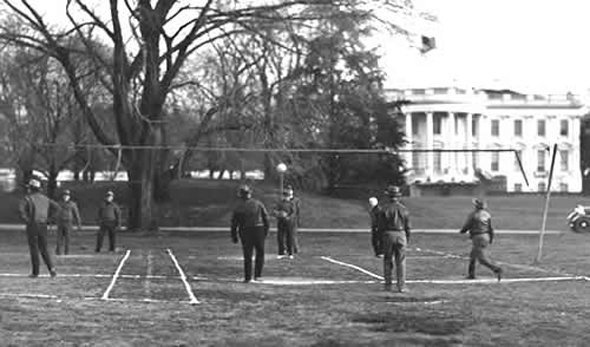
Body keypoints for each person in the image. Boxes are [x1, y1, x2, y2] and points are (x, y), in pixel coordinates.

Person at [18, 178, 60, 278]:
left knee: (34, 249)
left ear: (31, 189)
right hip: (43, 225)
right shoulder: (45, 199)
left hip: (33, 225)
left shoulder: (28, 198)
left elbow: (21, 210)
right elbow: (57, 207)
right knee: (44, 248)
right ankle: (51, 269)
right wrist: (50, 219)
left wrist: (27, 219)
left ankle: (35, 272)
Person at [230, 184, 270, 283]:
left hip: (245, 231)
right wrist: (265, 232)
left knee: (247, 254)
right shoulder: (258, 203)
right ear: (250, 193)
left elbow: (234, 223)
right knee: (260, 253)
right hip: (258, 229)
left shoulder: (238, 206)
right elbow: (266, 219)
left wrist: (234, 235)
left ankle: (247, 277)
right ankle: (258, 276)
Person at [459, 198, 503, 281]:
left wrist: (462, 231)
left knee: (481, 259)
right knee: (473, 256)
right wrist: (491, 238)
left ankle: (496, 269)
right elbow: (491, 228)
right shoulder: (487, 214)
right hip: (486, 236)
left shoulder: (473, 215)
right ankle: (471, 274)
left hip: (478, 237)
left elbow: (467, 226)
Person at [378, 185, 410, 293]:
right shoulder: (404, 209)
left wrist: (380, 242)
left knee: (388, 260)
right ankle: (401, 286)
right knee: (401, 261)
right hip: (401, 234)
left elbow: (380, 227)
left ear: (388, 196)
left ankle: (388, 285)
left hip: (388, 234)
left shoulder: (383, 209)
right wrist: (407, 239)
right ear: (398, 196)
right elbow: (408, 227)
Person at [55, 189, 82, 255]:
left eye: (67, 195)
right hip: (61, 222)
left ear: (69, 197)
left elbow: (76, 214)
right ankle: (58, 251)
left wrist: (79, 224)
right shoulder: (59, 203)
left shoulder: (72, 204)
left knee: (68, 238)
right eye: (64, 195)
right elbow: (56, 213)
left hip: (68, 223)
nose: (65, 197)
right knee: (59, 238)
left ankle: (67, 252)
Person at [273, 189, 296, 259]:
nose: (286, 197)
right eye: (285, 196)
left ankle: (290, 253)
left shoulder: (291, 203)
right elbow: (275, 211)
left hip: (289, 223)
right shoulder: (280, 203)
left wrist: (288, 217)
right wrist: (279, 214)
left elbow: (293, 212)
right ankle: (281, 252)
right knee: (280, 238)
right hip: (281, 222)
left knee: (289, 237)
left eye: (287, 196)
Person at [285, 185, 301, 254]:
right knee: (286, 235)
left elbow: (296, 211)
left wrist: (296, 218)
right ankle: (287, 248)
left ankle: (295, 248)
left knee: (293, 234)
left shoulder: (295, 200)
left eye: (290, 189)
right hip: (286, 219)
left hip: (292, 220)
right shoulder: (285, 200)